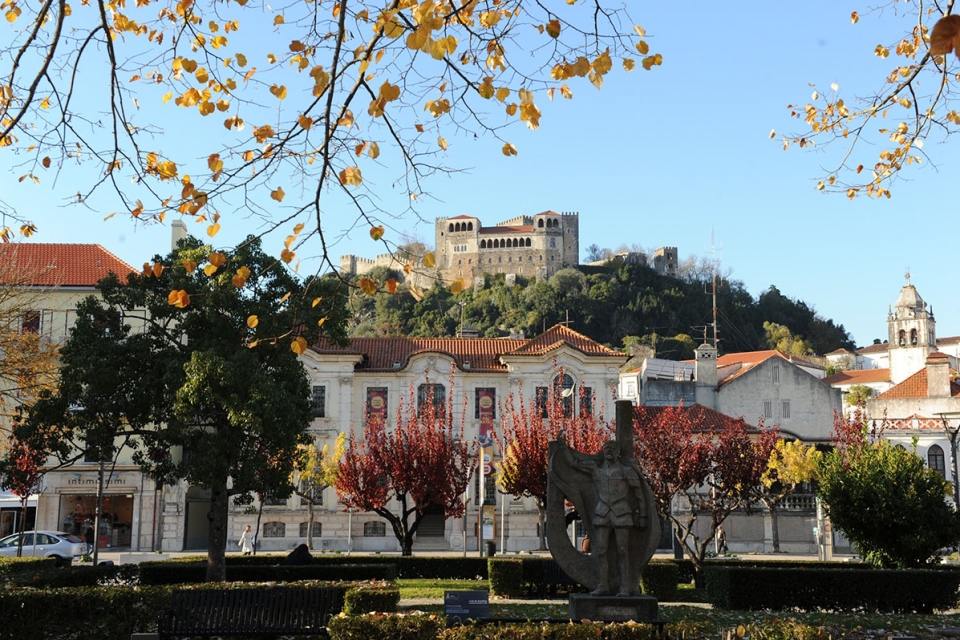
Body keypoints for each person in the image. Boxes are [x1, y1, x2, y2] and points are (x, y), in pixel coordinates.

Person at [589, 440, 648, 596]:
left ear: (618, 452)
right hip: (602, 513)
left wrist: (643, 515)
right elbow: (573, 463)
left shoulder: (626, 471)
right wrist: (560, 447)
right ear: (603, 450)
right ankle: (603, 586)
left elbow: (639, 493)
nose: (610, 450)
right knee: (601, 550)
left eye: (613, 448)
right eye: (607, 448)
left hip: (622, 513)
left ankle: (624, 588)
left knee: (623, 551)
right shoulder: (596, 471)